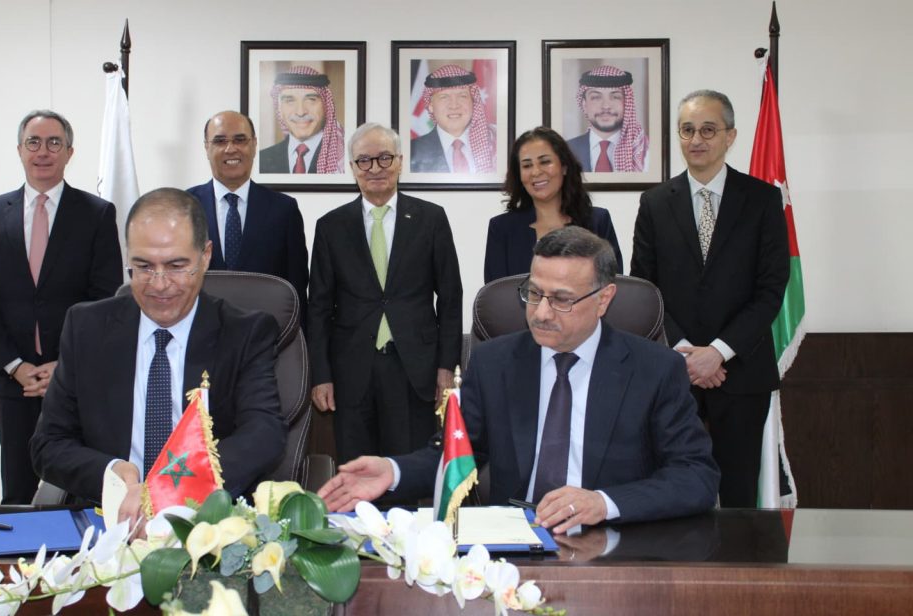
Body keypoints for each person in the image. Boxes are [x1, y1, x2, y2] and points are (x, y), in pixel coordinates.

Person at [319, 226, 719, 529]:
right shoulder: (494, 363)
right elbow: (457, 453)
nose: (541, 313)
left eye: (561, 299)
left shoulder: (654, 369)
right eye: (534, 293)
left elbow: (697, 476)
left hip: (611, 541)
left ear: (604, 299)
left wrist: (604, 502)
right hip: (514, 541)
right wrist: (393, 472)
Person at [30, 188, 286, 524]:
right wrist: (111, 472)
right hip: (110, 520)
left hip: (207, 522)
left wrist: (168, 487)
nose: (160, 284)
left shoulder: (244, 333)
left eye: (176, 266)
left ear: (205, 256)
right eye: (144, 267)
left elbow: (263, 435)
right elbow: (48, 444)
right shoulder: (86, 327)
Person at [630, 89, 789, 507]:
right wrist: (685, 352)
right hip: (672, 372)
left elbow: (771, 288)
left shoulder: (762, 199)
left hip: (742, 371)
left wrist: (717, 352)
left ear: (730, 136)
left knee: (739, 495)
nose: (696, 139)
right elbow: (644, 289)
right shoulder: (654, 203)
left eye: (708, 130)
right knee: (670, 492)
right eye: (687, 130)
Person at [0, 110, 122, 504]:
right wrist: (15, 366)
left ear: (70, 152)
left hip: (75, 381)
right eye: (33, 142)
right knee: (17, 492)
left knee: (79, 491)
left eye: (54, 143)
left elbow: (105, 300)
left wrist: (64, 365)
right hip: (12, 382)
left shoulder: (97, 214)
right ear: (20, 150)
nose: (43, 152)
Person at [308, 123, 462, 465]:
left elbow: (451, 298)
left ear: (400, 162)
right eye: (364, 160)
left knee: (409, 470)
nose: (375, 168)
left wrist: (446, 366)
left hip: (413, 368)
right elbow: (317, 308)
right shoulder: (331, 226)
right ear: (353, 168)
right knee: (355, 470)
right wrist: (321, 375)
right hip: (351, 370)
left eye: (384, 158)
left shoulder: (431, 219)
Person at [187, 111, 309, 316]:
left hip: (266, 330)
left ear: (254, 145)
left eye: (240, 140)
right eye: (220, 141)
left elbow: (296, 288)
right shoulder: (185, 206)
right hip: (199, 329)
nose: (230, 148)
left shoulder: (284, 209)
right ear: (206, 147)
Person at [484, 126, 622, 283]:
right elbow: (497, 292)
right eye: (527, 165)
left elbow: (611, 284)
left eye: (545, 162)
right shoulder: (501, 228)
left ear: (564, 167)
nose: (536, 172)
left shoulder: (598, 221)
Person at [258, 66, 346, 174]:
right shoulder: (260, 160)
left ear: (326, 106)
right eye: (290, 101)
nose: (300, 112)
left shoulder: (344, 158)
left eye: (311, 100)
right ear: (279, 109)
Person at [410, 64, 496, 174]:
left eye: (462, 96)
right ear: (431, 105)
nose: (454, 105)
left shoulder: (494, 145)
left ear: (473, 102)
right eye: (444, 97)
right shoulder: (412, 151)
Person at [566, 65, 649, 173]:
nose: (606, 106)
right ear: (584, 105)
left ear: (627, 103)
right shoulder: (567, 149)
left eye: (615, 97)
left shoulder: (644, 151)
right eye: (596, 97)